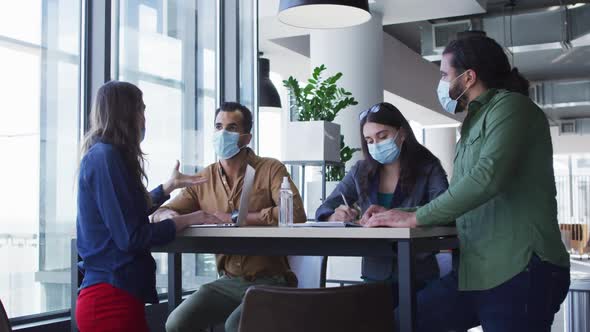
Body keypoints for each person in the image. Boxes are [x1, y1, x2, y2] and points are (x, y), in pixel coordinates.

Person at [365, 36, 571, 331]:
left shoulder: (513, 108)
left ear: (468, 77)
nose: (441, 83)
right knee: (402, 322)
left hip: (521, 268)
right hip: (475, 271)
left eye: (444, 75)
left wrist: (415, 217)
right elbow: (459, 195)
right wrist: (398, 213)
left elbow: (487, 178)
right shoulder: (472, 122)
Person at [75, 81, 222, 332]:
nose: (144, 118)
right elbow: (132, 237)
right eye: (141, 109)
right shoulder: (105, 158)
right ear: (126, 113)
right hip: (110, 301)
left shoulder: (106, 156)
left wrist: (167, 188)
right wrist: (185, 220)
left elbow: (125, 213)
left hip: (117, 296)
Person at [151, 102, 307, 332]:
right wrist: (173, 215)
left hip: (271, 280)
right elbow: (160, 212)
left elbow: (295, 213)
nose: (222, 133)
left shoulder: (270, 168)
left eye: (231, 128)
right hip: (228, 281)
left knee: (236, 325)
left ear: (246, 138)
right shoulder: (204, 178)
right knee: (177, 323)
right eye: (218, 126)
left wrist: (237, 217)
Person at [315, 102, 449, 294]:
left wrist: (405, 217)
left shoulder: (428, 167)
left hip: (418, 273)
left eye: (382, 136)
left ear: (402, 133)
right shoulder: (360, 171)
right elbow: (325, 207)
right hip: (374, 274)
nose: (376, 145)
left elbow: (446, 209)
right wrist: (333, 217)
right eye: (369, 140)